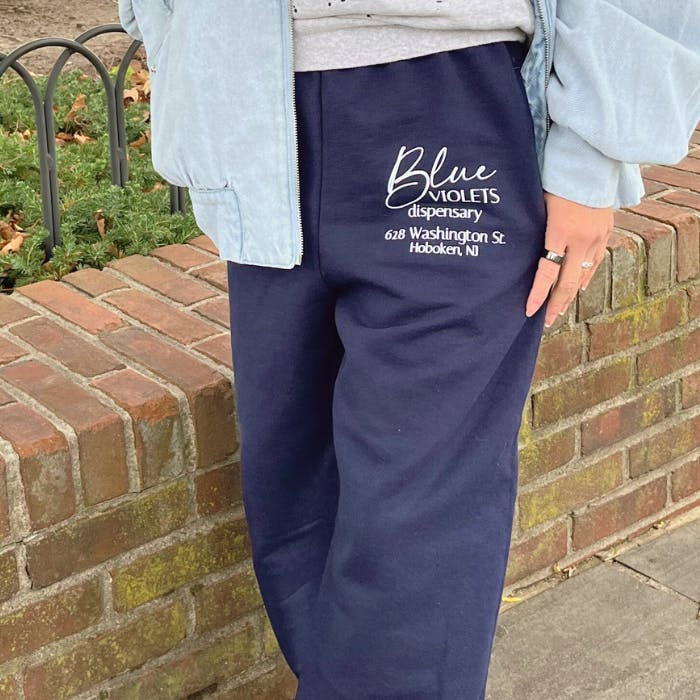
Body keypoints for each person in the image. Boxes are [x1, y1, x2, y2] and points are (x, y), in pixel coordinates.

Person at [119, 2, 700, 698]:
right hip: (249, 113)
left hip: (451, 95)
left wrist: (592, 157)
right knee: (292, 501)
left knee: (414, 532)